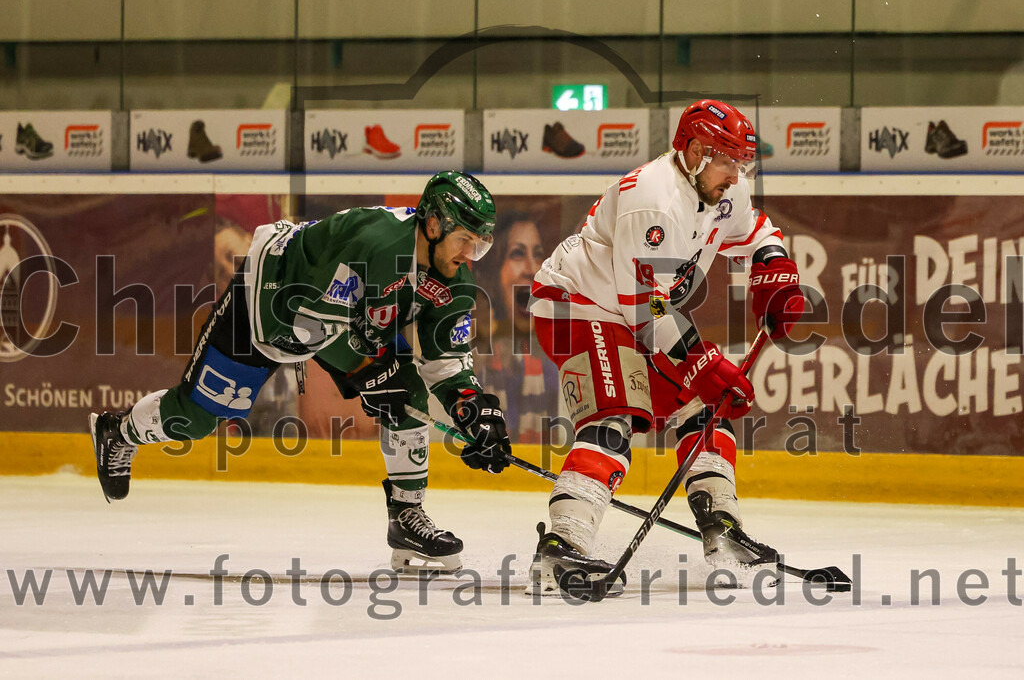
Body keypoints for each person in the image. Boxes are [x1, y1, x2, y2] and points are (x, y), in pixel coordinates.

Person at [88, 171, 513, 574]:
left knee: (408, 395)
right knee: (198, 417)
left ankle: (406, 518)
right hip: (272, 301)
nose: (468, 255)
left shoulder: (453, 280)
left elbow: (447, 364)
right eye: (464, 240)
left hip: (343, 318)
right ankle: (118, 432)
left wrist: (474, 413)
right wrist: (369, 373)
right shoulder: (376, 244)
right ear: (434, 225)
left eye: (480, 245)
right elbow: (305, 323)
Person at [527, 100, 805, 592]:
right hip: (578, 305)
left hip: (638, 311)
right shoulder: (654, 200)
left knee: (704, 407)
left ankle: (722, 528)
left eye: (743, 164)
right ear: (695, 151)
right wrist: (701, 362)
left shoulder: (722, 186)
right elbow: (645, 310)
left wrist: (775, 272)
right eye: (728, 161)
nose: (737, 176)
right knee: (615, 415)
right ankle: (562, 546)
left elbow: (756, 229)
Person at [473, 210, 560, 444]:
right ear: (492, 271)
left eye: (538, 254)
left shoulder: (552, 370)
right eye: (517, 254)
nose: (533, 268)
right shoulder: (465, 368)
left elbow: (555, 446)